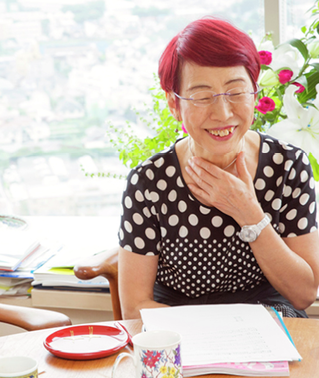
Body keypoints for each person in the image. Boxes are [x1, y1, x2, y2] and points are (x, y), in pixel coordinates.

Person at [118, 17, 319, 320]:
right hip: (179, 329)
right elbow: (134, 307)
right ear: (174, 105)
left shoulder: (287, 166)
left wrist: (249, 213)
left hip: (271, 323)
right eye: (202, 97)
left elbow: (304, 295)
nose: (223, 113)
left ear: (255, 92)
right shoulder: (150, 181)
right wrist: (220, 332)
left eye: (236, 92)